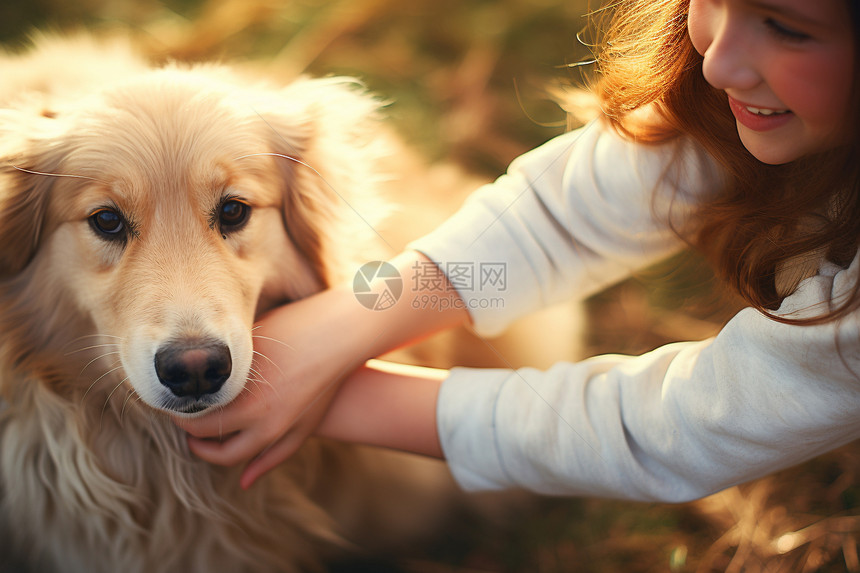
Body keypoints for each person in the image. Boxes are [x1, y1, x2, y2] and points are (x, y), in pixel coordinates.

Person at [174, 0, 860, 500]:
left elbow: (677, 426)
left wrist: (339, 399)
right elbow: (562, 219)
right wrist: (346, 323)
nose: (716, 60)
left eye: (788, 27)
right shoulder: (746, 97)